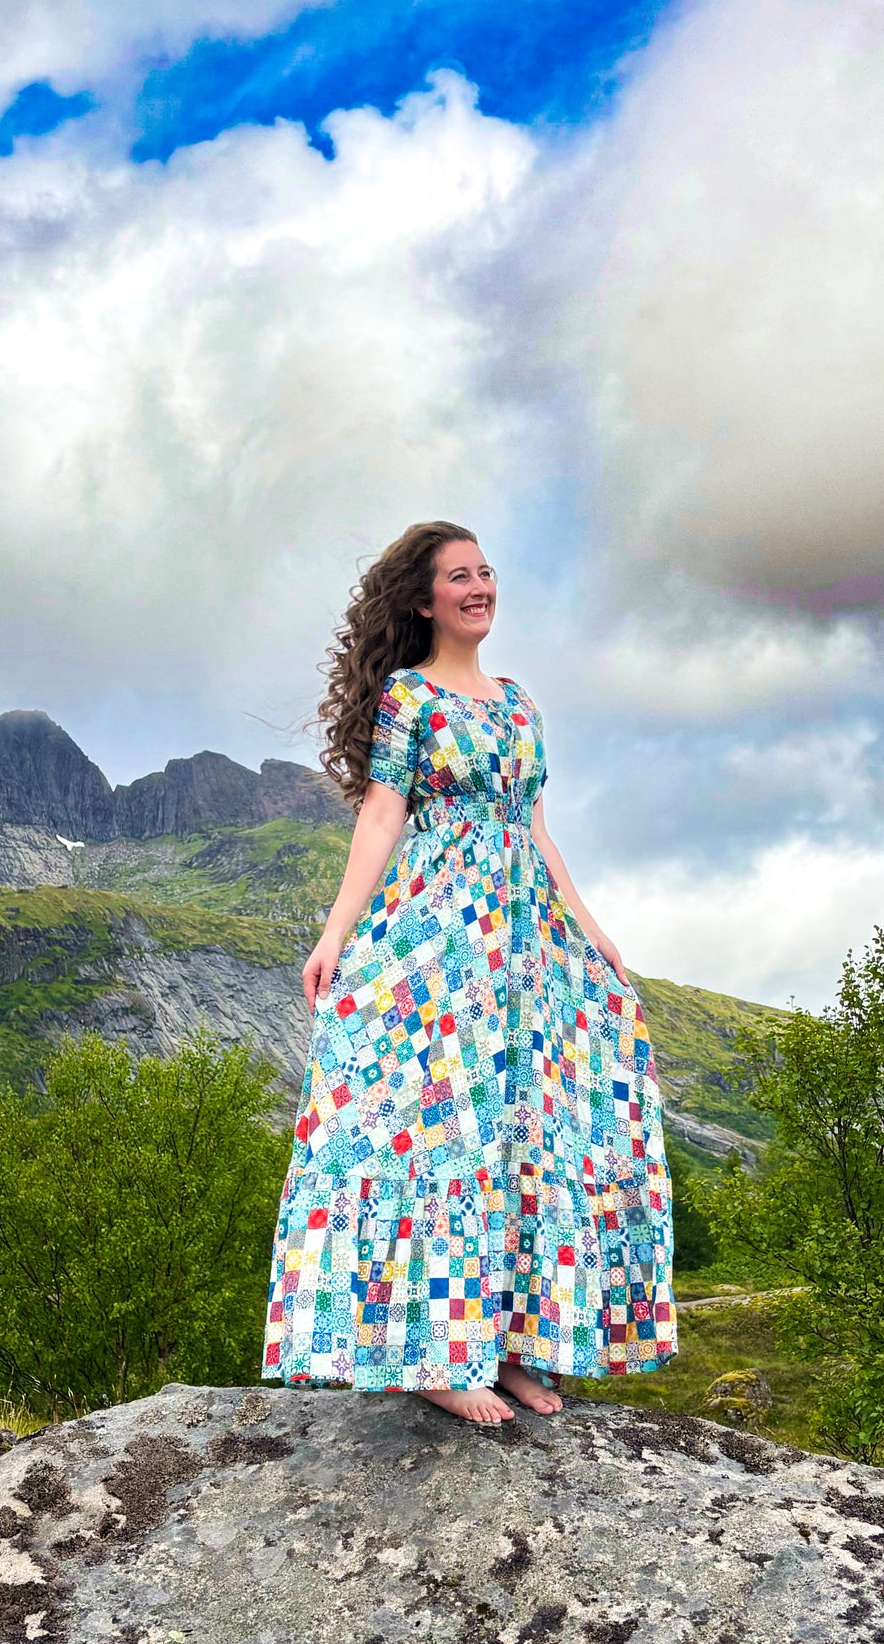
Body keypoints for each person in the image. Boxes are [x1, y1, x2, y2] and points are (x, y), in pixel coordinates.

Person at [264, 520, 676, 1423]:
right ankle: (438, 1358)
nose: (479, 586)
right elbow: (381, 818)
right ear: (425, 600)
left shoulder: (521, 702)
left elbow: (533, 826)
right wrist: (336, 936)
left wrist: (591, 928)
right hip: (446, 932)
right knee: (444, 1131)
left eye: (487, 571)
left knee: (529, 1132)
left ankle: (517, 1349)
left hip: (527, 945)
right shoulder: (409, 699)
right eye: (460, 576)